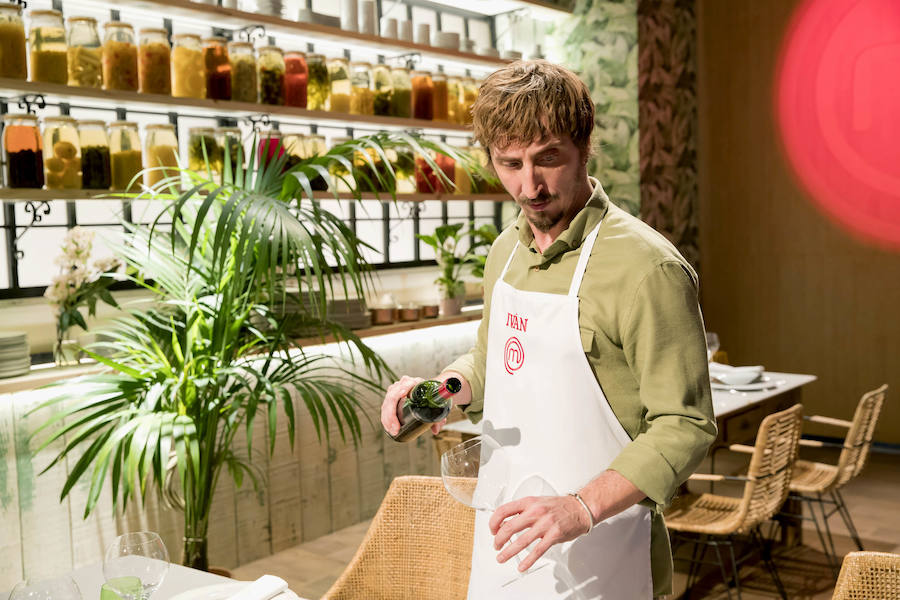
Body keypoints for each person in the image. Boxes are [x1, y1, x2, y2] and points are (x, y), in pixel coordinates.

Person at [381, 60, 716, 599]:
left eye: (548, 159)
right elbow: (493, 367)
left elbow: (684, 425)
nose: (529, 186)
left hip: (605, 550)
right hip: (505, 538)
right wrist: (435, 395)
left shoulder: (647, 268)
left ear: (584, 149)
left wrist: (580, 507)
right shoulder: (504, 253)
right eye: (510, 164)